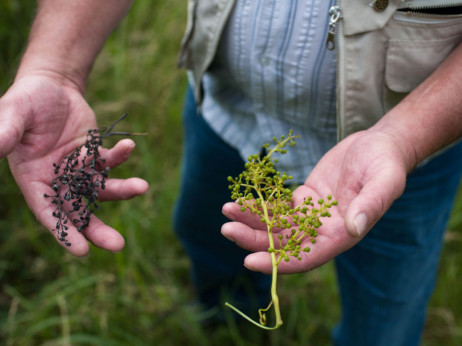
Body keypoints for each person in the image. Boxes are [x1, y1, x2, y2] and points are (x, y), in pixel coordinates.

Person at [0, 0, 461, 345]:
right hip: (225, 111)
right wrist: (55, 68)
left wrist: (404, 138)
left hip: (403, 148)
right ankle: (227, 328)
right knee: (210, 236)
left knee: (386, 307)